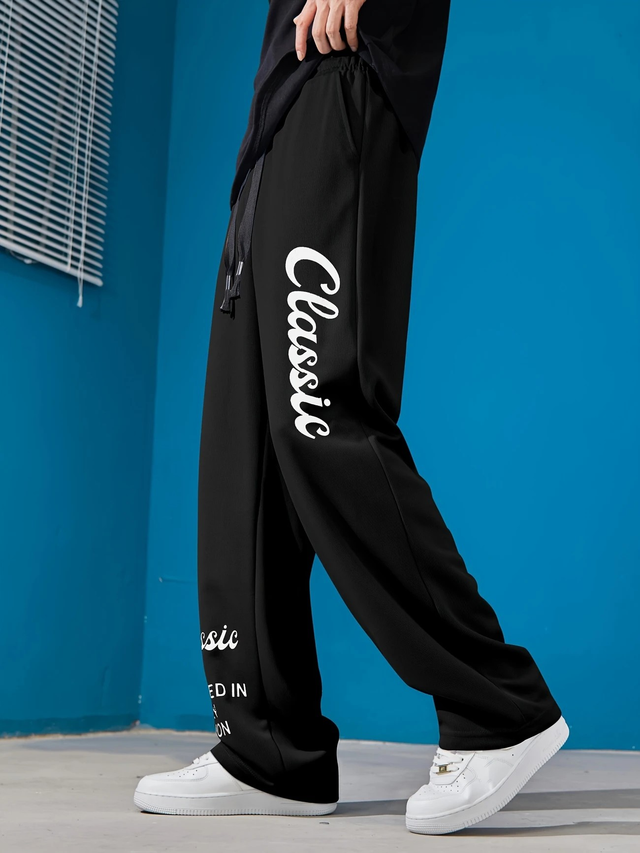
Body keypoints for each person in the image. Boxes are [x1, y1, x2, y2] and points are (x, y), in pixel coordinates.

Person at [134, 0, 568, 835]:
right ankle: (268, 747)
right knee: (246, 441)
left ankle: (497, 707)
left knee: (318, 411)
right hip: (282, 103)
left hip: (349, 59)